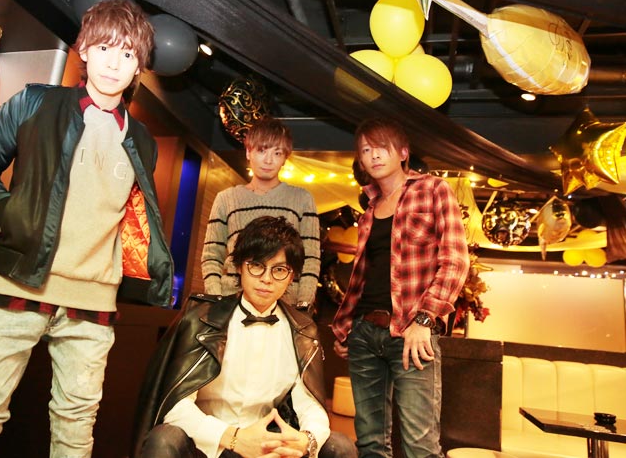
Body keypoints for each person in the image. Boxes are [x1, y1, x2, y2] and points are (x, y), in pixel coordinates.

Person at [0, 0, 174, 458]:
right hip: (14, 286)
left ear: (139, 67)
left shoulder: (142, 141)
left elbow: (135, 220)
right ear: (83, 49)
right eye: (104, 48)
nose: (114, 63)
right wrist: (10, 213)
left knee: (75, 432)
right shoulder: (35, 102)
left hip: (92, 303)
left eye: (127, 53)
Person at [133, 216, 356, 458]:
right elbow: (176, 408)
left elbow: (310, 405)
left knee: (340, 446)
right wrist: (233, 438)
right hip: (206, 444)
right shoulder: (201, 320)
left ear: (292, 276)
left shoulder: (302, 331)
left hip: (266, 447)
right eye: (256, 265)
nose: (267, 279)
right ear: (239, 266)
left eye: (279, 270)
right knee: (164, 438)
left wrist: (306, 440)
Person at [331, 118, 469, 458]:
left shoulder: (434, 190)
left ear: (403, 152)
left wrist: (425, 320)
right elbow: (364, 277)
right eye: (366, 150)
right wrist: (347, 328)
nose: (374, 155)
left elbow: (455, 260)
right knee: (370, 444)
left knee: (420, 446)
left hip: (412, 333)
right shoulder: (369, 210)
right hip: (365, 333)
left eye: (382, 147)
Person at [201, 117, 320, 310]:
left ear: (285, 158)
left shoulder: (302, 199)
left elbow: (311, 258)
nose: (268, 160)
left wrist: (303, 303)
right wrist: (216, 299)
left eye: (277, 153)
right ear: (249, 152)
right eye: (262, 150)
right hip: (232, 301)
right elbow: (211, 255)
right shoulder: (226, 198)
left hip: (285, 303)